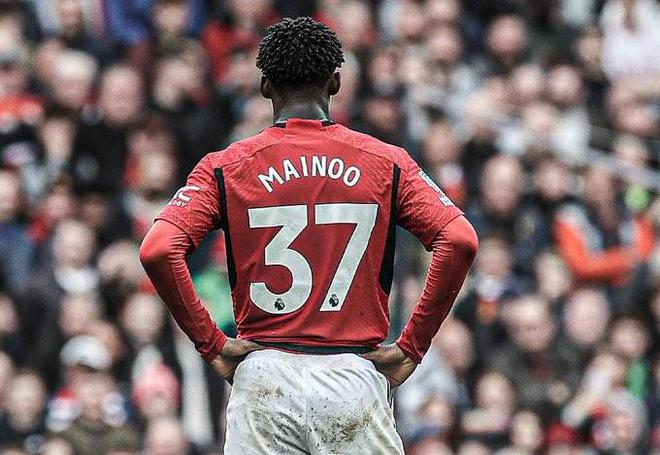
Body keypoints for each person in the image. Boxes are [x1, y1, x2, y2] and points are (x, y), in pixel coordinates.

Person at [140, 16, 478, 453]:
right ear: (335, 82)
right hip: (351, 375)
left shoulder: (225, 167)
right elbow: (460, 240)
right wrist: (412, 345)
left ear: (265, 86)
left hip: (264, 376)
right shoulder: (386, 162)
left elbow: (158, 249)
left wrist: (212, 343)